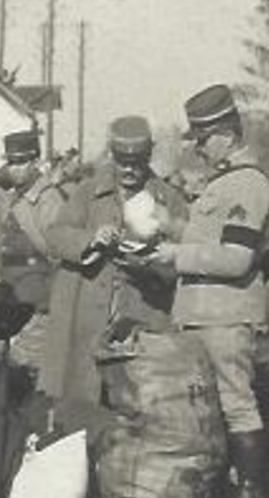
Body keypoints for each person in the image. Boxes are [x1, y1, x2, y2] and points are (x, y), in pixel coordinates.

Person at [148, 85, 269, 498]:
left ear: (226, 134)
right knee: (205, 405)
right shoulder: (223, 185)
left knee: (235, 404)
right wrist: (170, 225)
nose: (199, 150)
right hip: (201, 315)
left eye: (203, 140)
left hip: (225, 318)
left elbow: (237, 258)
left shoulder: (247, 185)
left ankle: (252, 495)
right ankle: (218, 489)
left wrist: (176, 255)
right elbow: (210, 236)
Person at [39, 115, 183, 407]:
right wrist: (90, 239)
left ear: (149, 155)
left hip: (142, 310)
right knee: (82, 397)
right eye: (121, 160)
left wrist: (152, 260)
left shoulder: (169, 199)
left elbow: (184, 258)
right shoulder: (87, 192)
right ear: (111, 155)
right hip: (87, 308)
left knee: (136, 400)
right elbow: (55, 234)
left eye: (138, 160)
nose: (129, 169)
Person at [0, 128, 66, 309]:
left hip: (38, 289)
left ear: (35, 161)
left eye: (21, 162)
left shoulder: (48, 199)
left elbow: (58, 254)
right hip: (10, 282)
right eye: (11, 163)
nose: (15, 169)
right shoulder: (13, 198)